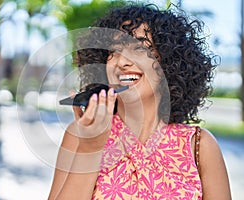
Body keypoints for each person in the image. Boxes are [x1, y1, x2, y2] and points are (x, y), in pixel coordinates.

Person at [49, 3, 231, 200]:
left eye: (139, 49)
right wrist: (90, 150)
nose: (122, 62)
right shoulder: (79, 136)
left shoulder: (200, 146)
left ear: (168, 64)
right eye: (114, 51)